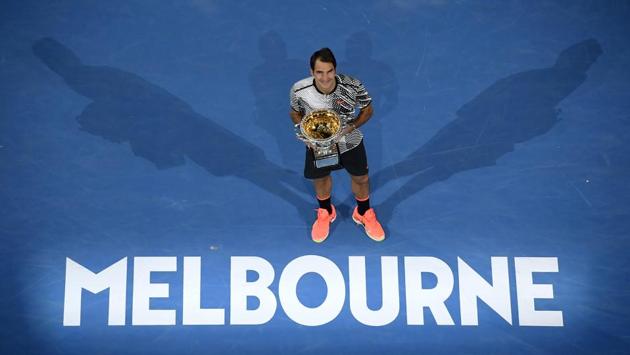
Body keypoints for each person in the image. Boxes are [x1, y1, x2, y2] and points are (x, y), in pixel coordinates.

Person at [289, 47, 385, 243]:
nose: (325, 78)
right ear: (311, 72)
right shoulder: (299, 90)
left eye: (329, 71)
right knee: (321, 179)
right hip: (318, 144)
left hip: (349, 140)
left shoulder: (352, 85)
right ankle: (325, 211)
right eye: (319, 72)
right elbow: (294, 112)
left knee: (361, 178)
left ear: (335, 69)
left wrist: (351, 127)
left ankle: (363, 212)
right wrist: (304, 132)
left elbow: (367, 109)